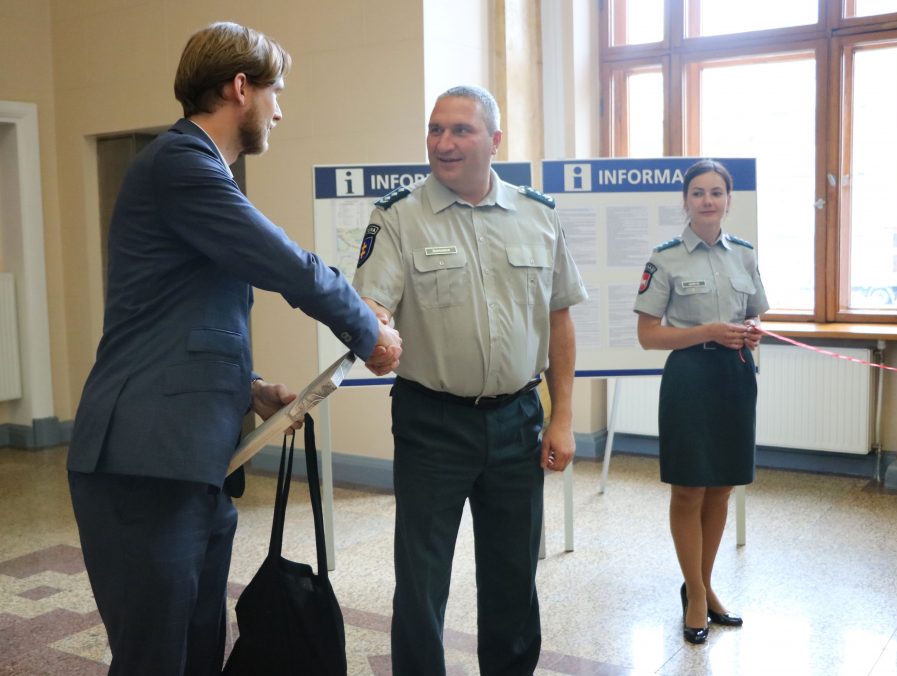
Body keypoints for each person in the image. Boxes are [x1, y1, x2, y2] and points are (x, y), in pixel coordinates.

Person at [66, 22, 401, 675]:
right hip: (143, 464)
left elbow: (179, 321)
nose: (280, 109)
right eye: (276, 91)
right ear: (240, 87)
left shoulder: (195, 173)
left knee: (194, 653)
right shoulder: (180, 164)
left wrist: (248, 389)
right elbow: (285, 261)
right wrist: (365, 326)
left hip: (191, 465)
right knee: (155, 658)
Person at [352, 85, 587, 675]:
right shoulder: (398, 216)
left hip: (517, 420)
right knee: (422, 580)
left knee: (513, 576)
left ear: (494, 140)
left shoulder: (538, 214)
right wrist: (373, 326)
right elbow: (371, 304)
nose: (444, 143)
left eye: (460, 130)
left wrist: (561, 416)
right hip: (432, 422)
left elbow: (558, 319)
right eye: (436, 130)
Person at [633, 159, 768, 645]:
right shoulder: (664, 258)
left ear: (729, 201)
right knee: (689, 489)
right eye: (698, 193)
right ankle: (694, 597)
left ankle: (705, 586)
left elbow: (757, 317)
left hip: (734, 376)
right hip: (690, 377)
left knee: (722, 488)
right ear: (686, 201)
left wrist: (752, 335)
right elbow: (649, 336)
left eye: (716, 192)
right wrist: (708, 332)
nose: (708, 200)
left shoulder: (746, 255)